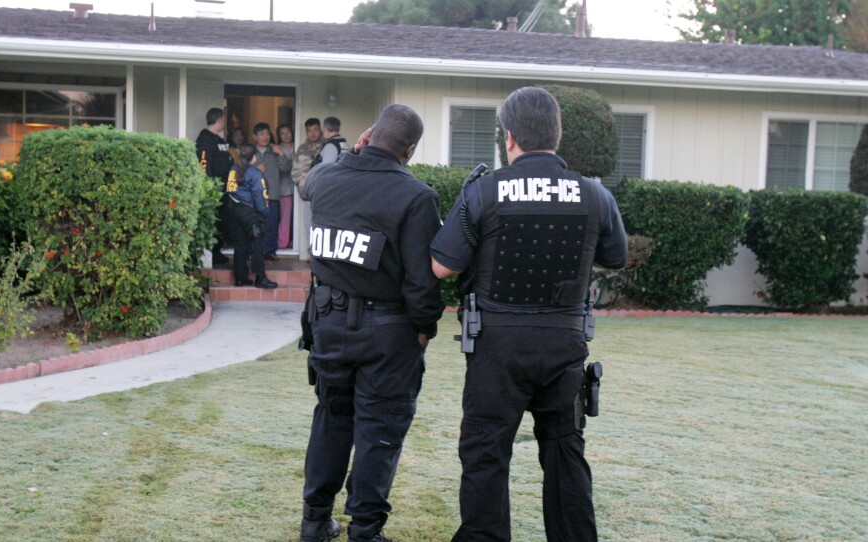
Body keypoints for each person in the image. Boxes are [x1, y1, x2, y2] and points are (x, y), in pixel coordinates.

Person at [430, 87, 628, 542]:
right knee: (565, 451)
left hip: (497, 347)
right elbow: (615, 257)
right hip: (564, 343)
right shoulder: (595, 194)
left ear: (509, 137)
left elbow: (442, 265)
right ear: (557, 136)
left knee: (485, 453)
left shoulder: (484, 190)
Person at [298, 104, 444, 542]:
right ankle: (365, 530)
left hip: (326, 321)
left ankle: (314, 521)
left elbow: (311, 184)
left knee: (332, 417)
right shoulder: (417, 197)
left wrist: (350, 154)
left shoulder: (326, 179)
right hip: (387, 331)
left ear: (369, 134)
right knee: (379, 426)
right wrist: (425, 329)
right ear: (410, 149)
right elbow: (421, 283)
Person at [225, 143, 278, 290]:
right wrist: (264, 214)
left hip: (233, 211)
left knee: (240, 244)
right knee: (258, 243)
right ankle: (260, 277)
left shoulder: (233, 169)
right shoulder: (255, 173)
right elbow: (260, 197)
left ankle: (240, 278)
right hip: (249, 213)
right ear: (254, 157)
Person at [195, 107, 232, 265]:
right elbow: (204, 165)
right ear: (220, 120)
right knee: (214, 221)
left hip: (224, 187)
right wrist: (208, 187)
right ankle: (213, 254)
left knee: (222, 220)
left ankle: (218, 251)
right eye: (224, 120)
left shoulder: (219, 140)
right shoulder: (205, 139)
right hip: (213, 189)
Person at [252, 122, 287, 261]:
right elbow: (240, 171)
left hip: (272, 194)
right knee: (254, 225)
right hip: (254, 196)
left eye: (267, 134)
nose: (265, 137)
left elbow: (286, 168)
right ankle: (253, 251)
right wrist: (255, 169)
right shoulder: (250, 152)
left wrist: (282, 154)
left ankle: (269, 251)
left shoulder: (274, 150)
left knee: (271, 225)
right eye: (261, 134)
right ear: (254, 137)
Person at [276, 124, 296, 249]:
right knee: (285, 216)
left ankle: (294, 241)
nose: (286, 135)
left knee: (297, 217)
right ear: (279, 135)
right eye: (282, 133)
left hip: (298, 186)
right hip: (284, 188)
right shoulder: (277, 149)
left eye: (288, 132)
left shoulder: (298, 145)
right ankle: (283, 242)